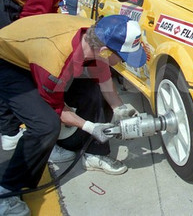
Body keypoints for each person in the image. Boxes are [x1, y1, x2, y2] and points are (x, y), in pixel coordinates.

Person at [0, 14, 147, 215]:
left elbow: (102, 77)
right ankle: (7, 191)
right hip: (8, 60)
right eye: (123, 58)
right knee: (45, 124)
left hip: (35, 50)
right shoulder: (56, 61)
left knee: (93, 90)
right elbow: (57, 109)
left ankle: (93, 152)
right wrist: (91, 127)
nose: (124, 63)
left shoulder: (95, 36)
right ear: (104, 52)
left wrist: (119, 108)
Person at [0, 0, 102, 150]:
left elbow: (46, 11)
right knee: (12, 60)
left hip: (13, 3)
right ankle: (10, 131)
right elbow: (33, 25)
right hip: (4, 3)